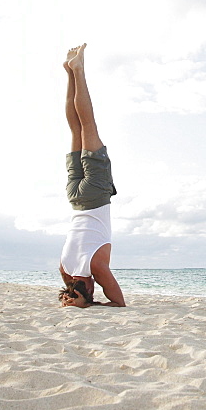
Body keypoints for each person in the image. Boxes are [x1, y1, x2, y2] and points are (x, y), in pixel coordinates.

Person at [58, 44, 126, 308]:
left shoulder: (96, 268)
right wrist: (77, 299)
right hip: (74, 197)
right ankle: (69, 72)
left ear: (86, 288)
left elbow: (118, 302)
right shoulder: (65, 268)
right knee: (75, 130)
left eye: (91, 291)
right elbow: (74, 286)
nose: (96, 288)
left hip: (95, 195)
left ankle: (78, 70)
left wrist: (90, 304)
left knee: (87, 125)